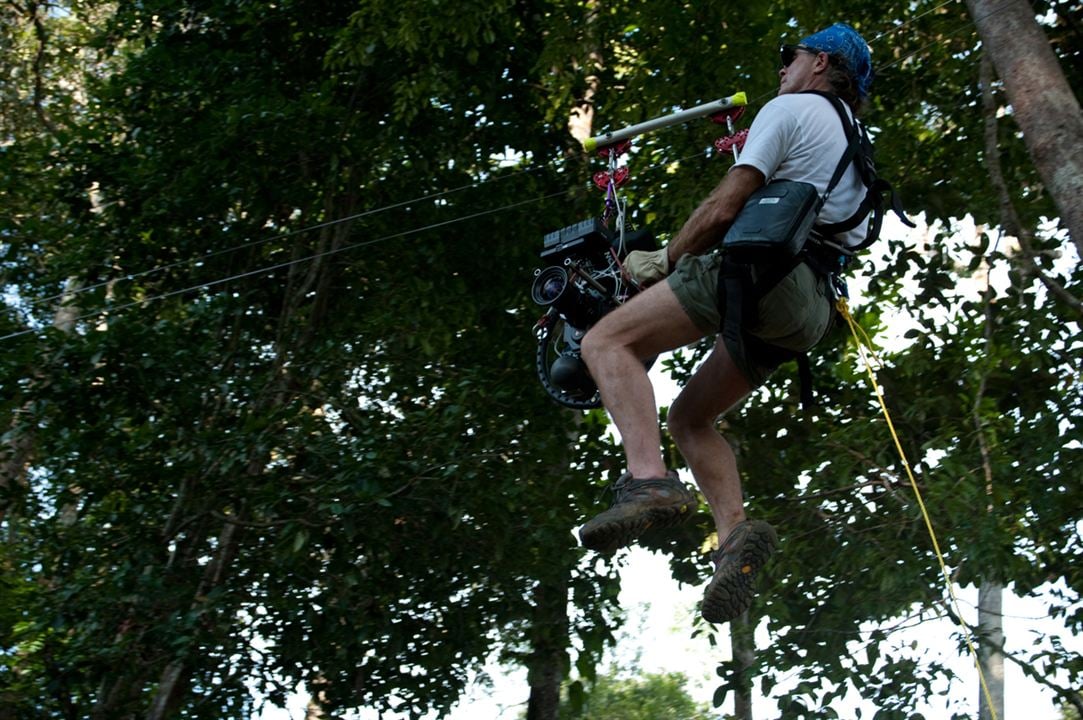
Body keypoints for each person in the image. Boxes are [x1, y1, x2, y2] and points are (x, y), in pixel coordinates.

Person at [577, 23, 876, 624]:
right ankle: (734, 537)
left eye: (789, 57)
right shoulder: (854, 137)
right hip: (806, 310)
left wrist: (662, 262)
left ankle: (649, 482)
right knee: (690, 418)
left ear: (820, 63)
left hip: (763, 274)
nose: (781, 69)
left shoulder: (793, 108)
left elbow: (724, 207)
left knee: (607, 340)